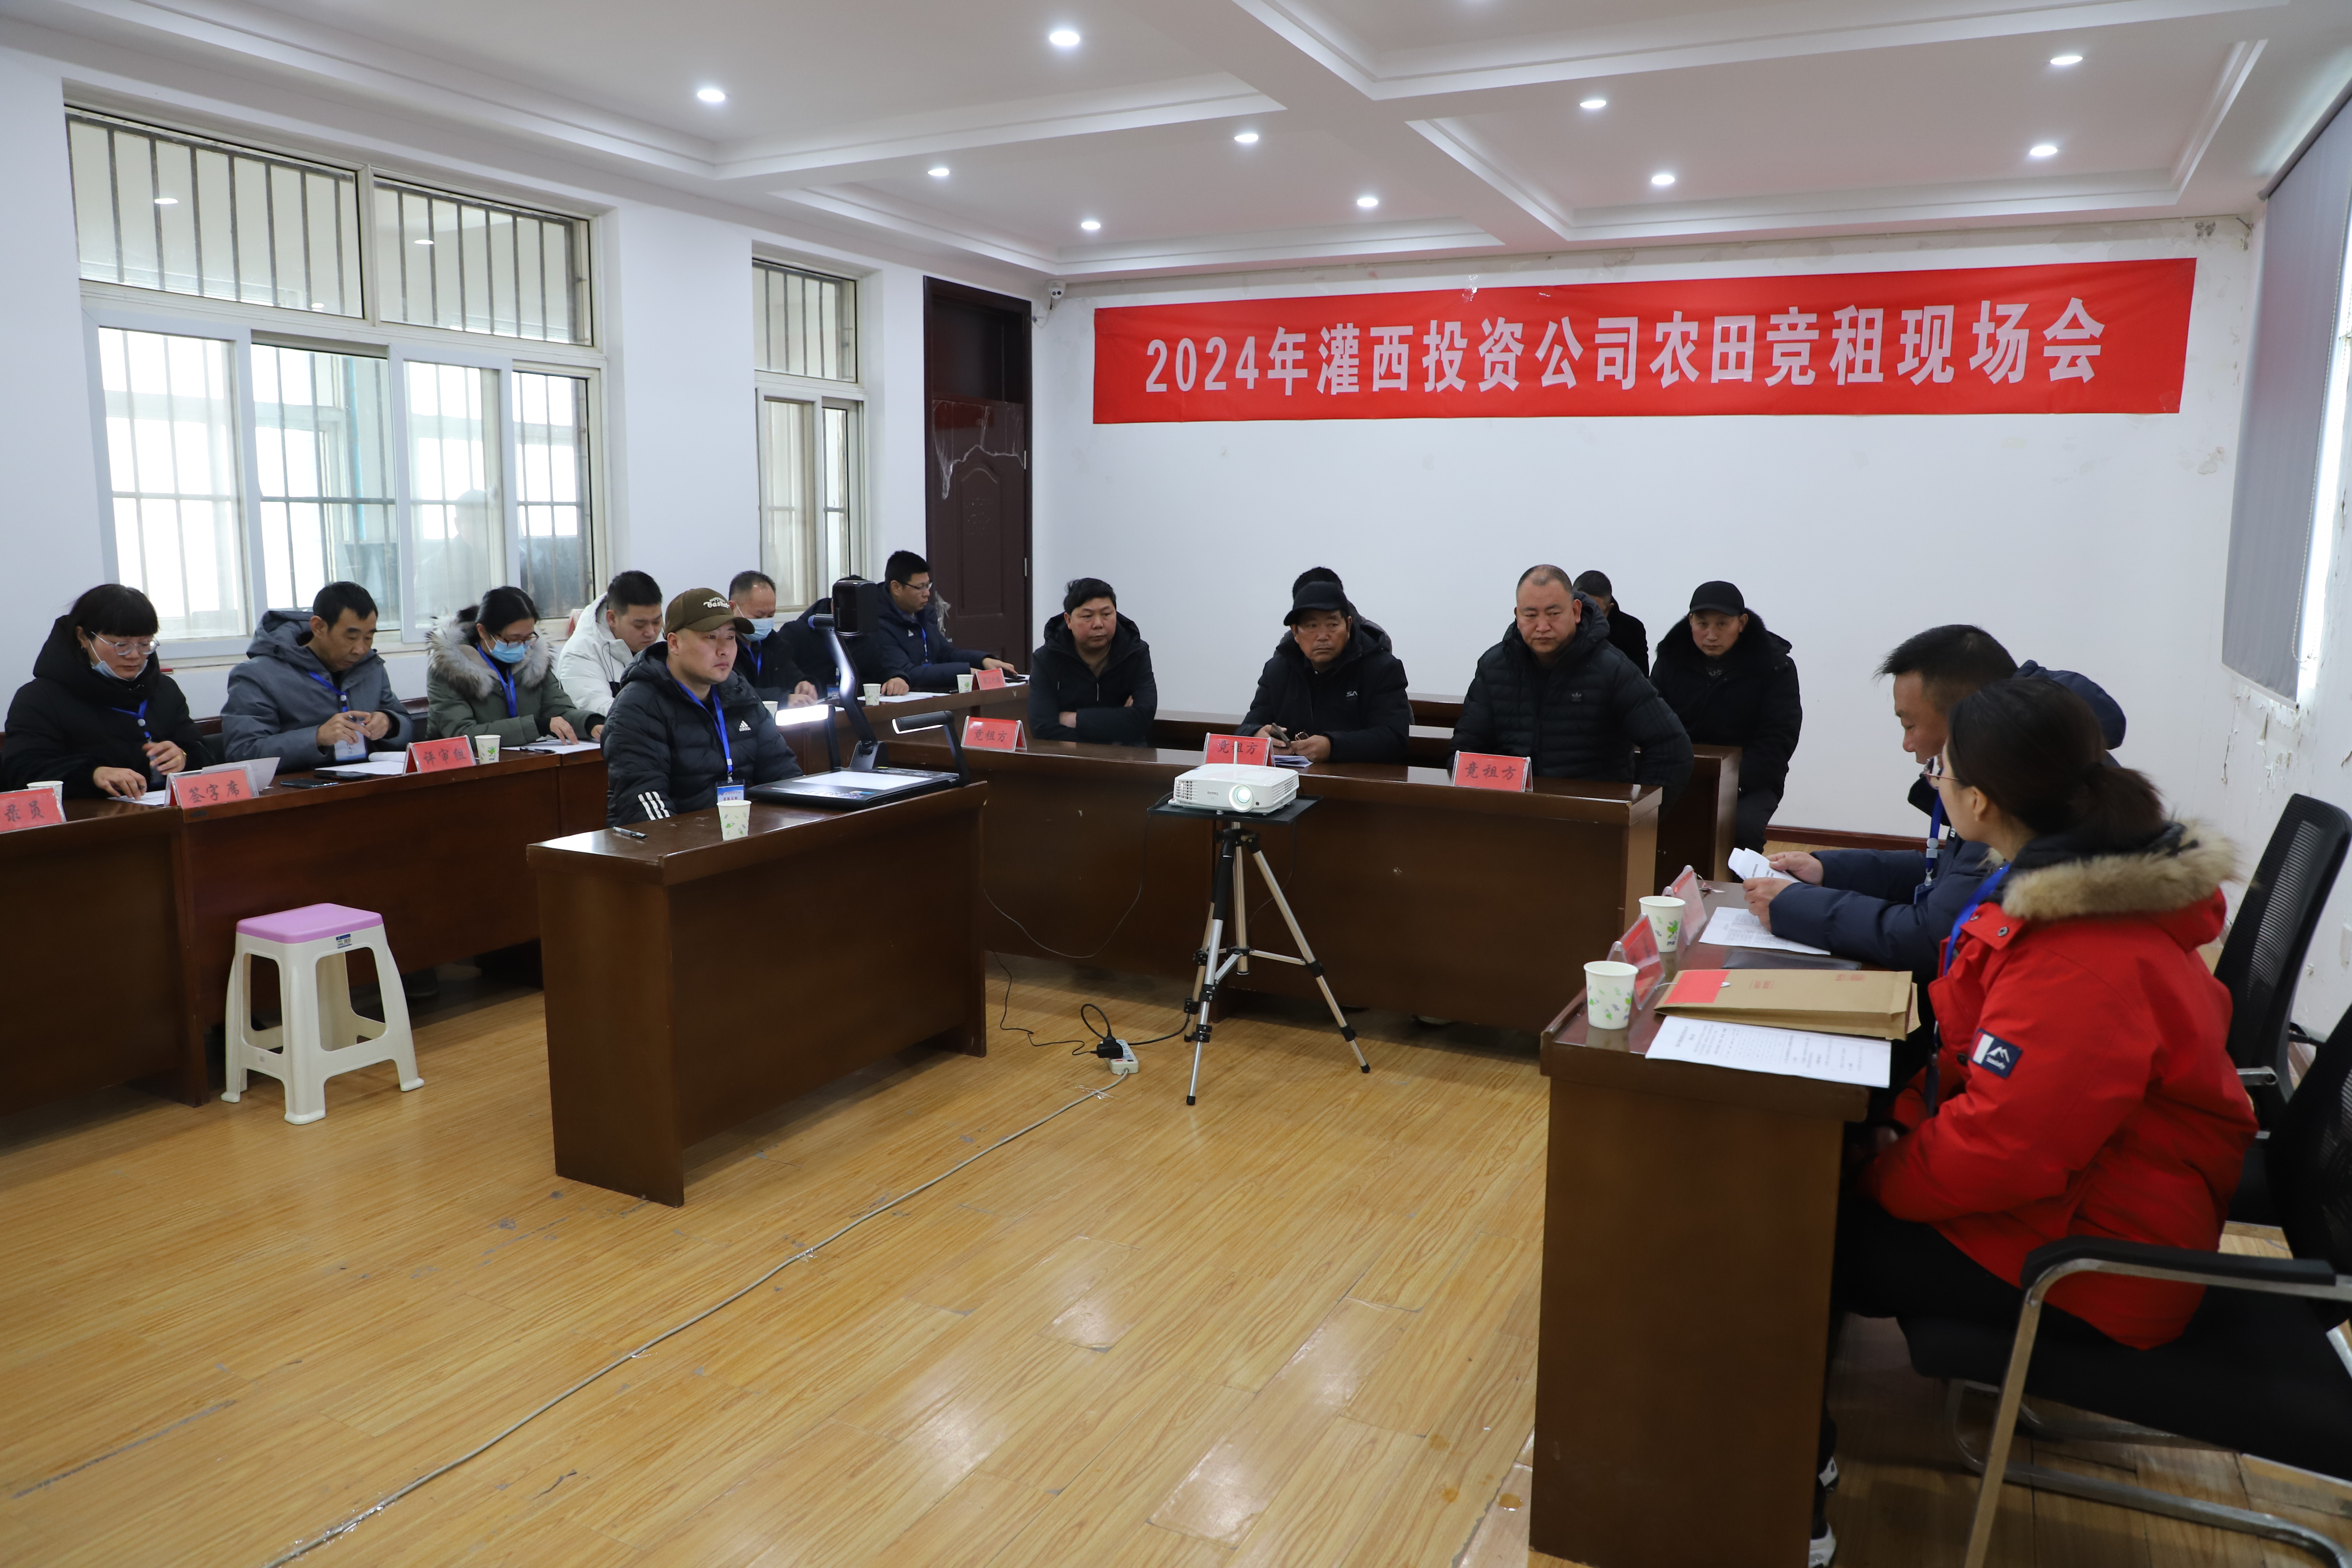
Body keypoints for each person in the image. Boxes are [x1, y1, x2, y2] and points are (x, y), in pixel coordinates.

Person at [1816, 678, 2253, 1562]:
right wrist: (1903, 1120)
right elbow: (1988, 1065)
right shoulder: (2068, 891)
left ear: (1980, 800)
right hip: (2089, 1201)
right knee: (1827, 1182)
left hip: (2100, 1257)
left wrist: (1878, 1172)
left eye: (1938, 770)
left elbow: (2004, 1149)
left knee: (1805, 1233)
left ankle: (1788, 1487)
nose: (1932, 781)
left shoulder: (2081, 951)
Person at [1747, 625, 2126, 978]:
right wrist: (1828, 869)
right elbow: (1952, 877)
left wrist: (1794, 905)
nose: (1908, 744)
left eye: (1910, 725)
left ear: (1967, 716)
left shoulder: (2023, 788)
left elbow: (1934, 937)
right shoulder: (2036, 761)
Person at [1452, 565, 1692, 798]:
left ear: (1576, 611)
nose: (1542, 627)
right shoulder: (1495, 667)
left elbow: (1671, 748)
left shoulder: (1612, 669)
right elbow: (1465, 753)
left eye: (1554, 614)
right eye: (1531, 615)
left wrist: (1640, 813)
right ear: (1518, 616)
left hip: (1593, 817)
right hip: (1513, 814)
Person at [602, 588, 804, 824]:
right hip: (676, 841)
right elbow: (645, 808)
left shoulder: (740, 692)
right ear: (674, 644)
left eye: (730, 637)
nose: (724, 650)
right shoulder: (638, 707)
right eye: (711, 637)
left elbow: (783, 772)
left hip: (740, 834)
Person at [2, 585, 208, 799]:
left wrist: (184, 756)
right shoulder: (40, 698)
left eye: (145, 644)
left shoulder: (164, 689)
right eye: (120, 645)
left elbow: (203, 752)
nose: (134, 655)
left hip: (166, 811)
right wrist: (93, 774)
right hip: (89, 815)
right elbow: (21, 771)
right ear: (83, 637)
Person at [1648, 580, 1801, 850]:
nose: (1711, 635)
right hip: (1683, 771)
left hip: (1751, 777)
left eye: (1722, 624)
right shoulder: (1671, 658)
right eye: (1703, 624)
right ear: (1690, 621)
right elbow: (1654, 721)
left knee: (1740, 830)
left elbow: (1779, 738)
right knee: (1652, 822)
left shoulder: (1775, 665)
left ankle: (1743, 879)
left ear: (1741, 623)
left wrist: (1734, 784)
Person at [221, 582, 415, 769]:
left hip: (369, 780)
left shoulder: (370, 667)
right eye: (351, 637)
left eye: (368, 638)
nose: (360, 649)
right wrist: (317, 737)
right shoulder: (257, 675)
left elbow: (407, 726)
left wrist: (390, 724)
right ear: (319, 627)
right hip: (299, 786)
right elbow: (243, 752)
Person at [1237, 579, 1410, 764]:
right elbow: (1247, 727)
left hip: (1359, 779)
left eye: (1332, 625)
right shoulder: (1278, 670)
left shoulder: (1382, 668)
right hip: (1291, 778)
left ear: (1349, 626)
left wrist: (1332, 746)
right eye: (1311, 626)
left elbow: (1395, 739)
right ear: (1295, 632)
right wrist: (1256, 735)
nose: (1322, 636)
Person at [425, 587, 594, 745]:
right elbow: (463, 734)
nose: (521, 646)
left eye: (528, 637)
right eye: (513, 639)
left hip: (527, 758)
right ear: (483, 631)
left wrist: (591, 724)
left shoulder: (535, 661)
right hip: (467, 764)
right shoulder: (448, 670)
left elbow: (559, 711)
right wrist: (538, 726)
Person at [859, 551, 1016, 695]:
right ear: (896, 588)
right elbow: (907, 672)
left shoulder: (923, 614)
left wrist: (983, 660)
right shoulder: (876, 623)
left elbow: (944, 653)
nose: (927, 593)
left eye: (928, 585)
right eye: (920, 587)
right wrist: (965, 672)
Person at [1028, 577, 1157, 745]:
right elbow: (1042, 729)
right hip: (1071, 758)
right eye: (1087, 616)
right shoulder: (1046, 659)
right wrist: (1117, 730)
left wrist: (1074, 719)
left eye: (1106, 615)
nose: (1098, 624)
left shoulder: (1136, 652)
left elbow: (1142, 719)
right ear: (1069, 620)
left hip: (1129, 757)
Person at [553, 570, 664, 720]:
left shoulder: (665, 642)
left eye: (657, 622)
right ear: (612, 618)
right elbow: (597, 707)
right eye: (640, 625)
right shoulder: (580, 652)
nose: (651, 633)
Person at [726, 570, 821, 707]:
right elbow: (733, 691)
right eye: (758, 617)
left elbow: (794, 676)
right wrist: (783, 698)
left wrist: (805, 684)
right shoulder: (723, 649)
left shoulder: (774, 645)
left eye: (771, 616)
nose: (765, 621)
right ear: (732, 608)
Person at [1573, 570, 1649, 675]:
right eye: (1581, 609)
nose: (1584, 617)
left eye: (1594, 612)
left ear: (1609, 609)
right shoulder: (1556, 626)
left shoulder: (1632, 630)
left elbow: (1641, 679)